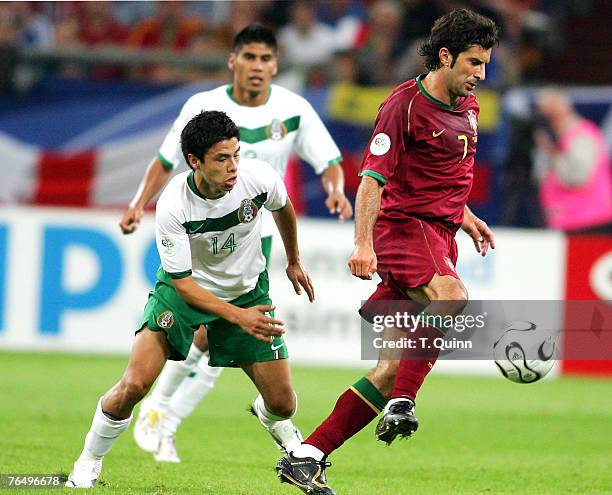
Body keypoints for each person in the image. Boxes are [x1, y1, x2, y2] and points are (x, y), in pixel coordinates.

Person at [275, 9, 499, 494]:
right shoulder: (403, 106)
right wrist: (362, 244)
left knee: (389, 368)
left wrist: (466, 217)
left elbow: (436, 179)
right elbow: (373, 179)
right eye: (474, 63)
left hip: (438, 233)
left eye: (485, 65)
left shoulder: (468, 103)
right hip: (406, 231)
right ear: (445, 56)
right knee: (452, 297)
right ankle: (404, 403)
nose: (481, 75)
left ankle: (306, 455)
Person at [120, 23, 352, 463]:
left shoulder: (293, 108)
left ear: (276, 65)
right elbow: (167, 160)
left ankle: (161, 415)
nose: (258, 67)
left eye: (266, 59)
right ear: (233, 61)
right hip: (204, 234)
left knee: (216, 336)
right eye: (250, 57)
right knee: (212, 330)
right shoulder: (203, 107)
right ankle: (160, 413)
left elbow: (331, 159)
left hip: (254, 240)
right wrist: (137, 203)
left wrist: (336, 189)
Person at [66, 110, 315, 488]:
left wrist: (294, 260)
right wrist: (238, 317)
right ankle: (89, 460)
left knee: (284, 405)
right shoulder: (174, 205)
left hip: (247, 292)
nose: (233, 167)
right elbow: (183, 286)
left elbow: (283, 208)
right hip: (183, 296)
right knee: (133, 385)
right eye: (221, 158)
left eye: (236, 155)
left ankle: (275, 424)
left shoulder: (258, 178)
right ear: (194, 162)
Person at [534, 88, 612, 233]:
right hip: (569, 222)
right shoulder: (559, 139)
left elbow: (578, 176)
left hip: (589, 223)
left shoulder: (581, 136)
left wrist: (551, 153)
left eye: (548, 112)